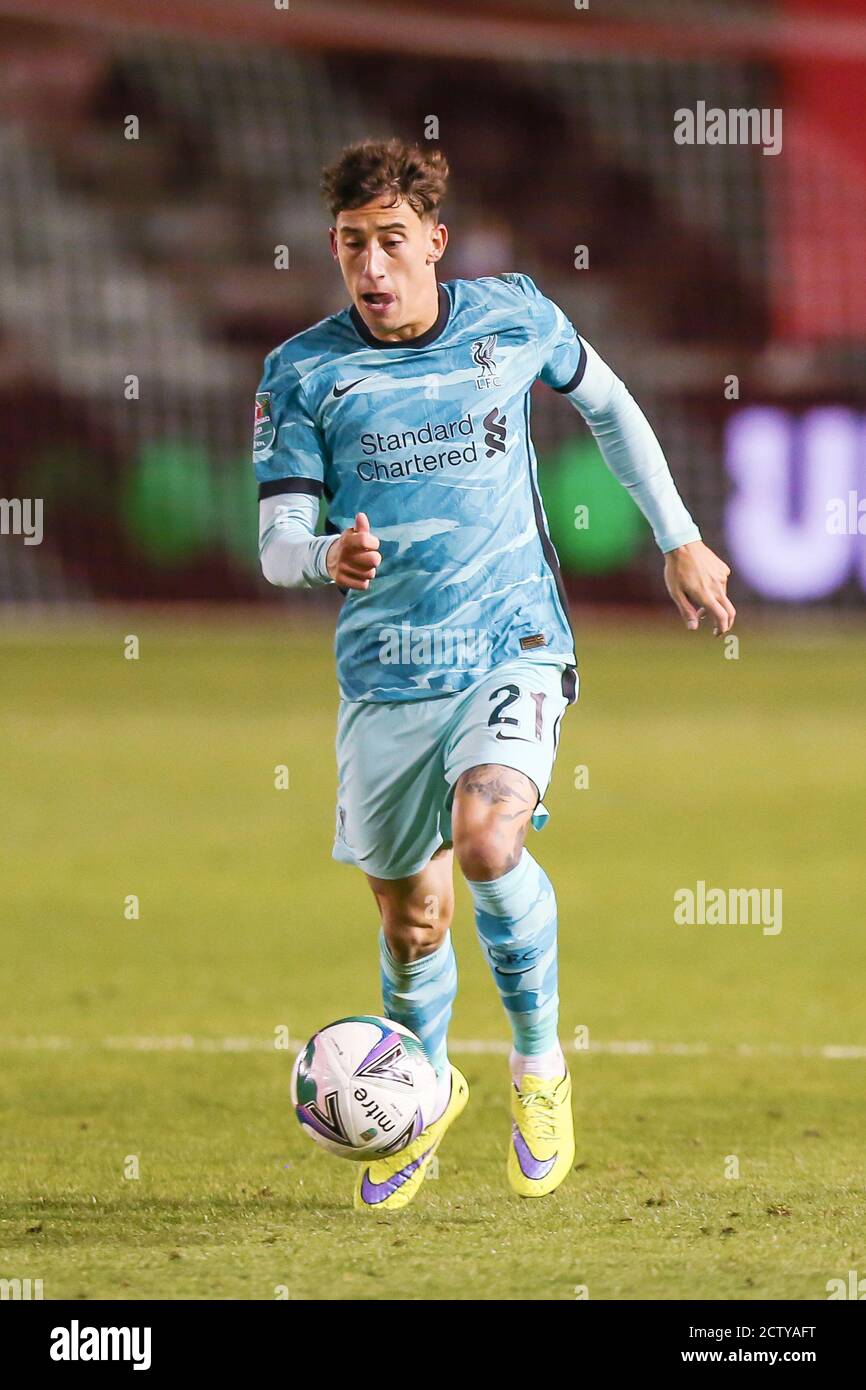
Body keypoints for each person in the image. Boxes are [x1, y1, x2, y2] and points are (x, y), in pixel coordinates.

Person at [255, 138, 735, 1212]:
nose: (370, 268)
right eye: (348, 246)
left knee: (485, 839)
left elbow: (607, 404)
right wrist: (321, 556)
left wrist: (678, 536)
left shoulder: (510, 317)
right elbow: (277, 539)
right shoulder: (303, 372)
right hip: (385, 676)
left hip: (512, 644)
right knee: (410, 920)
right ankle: (417, 1103)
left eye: (389, 242)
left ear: (434, 240)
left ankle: (536, 1065)